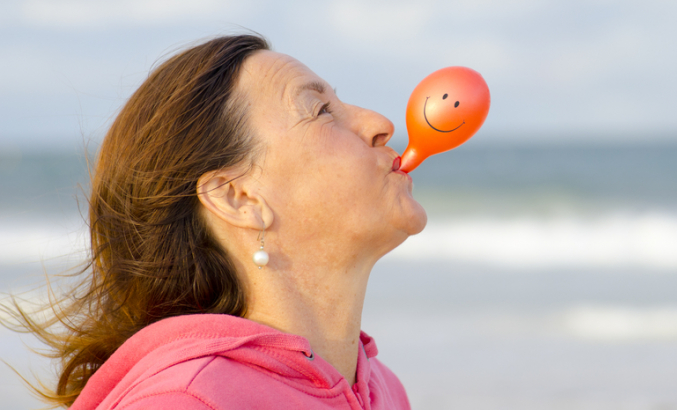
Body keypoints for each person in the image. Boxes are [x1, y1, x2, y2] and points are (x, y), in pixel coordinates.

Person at [6, 35, 426, 409]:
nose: (379, 124)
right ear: (237, 197)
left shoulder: (386, 392)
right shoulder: (183, 401)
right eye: (320, 110)